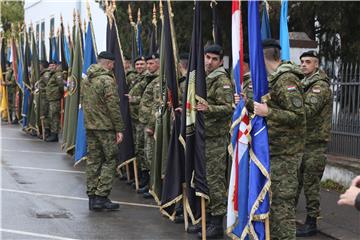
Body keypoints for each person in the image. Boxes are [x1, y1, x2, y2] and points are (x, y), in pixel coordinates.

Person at [253, 39, 305, 240]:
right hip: (276, 151)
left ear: (263, 57)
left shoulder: (286, 79)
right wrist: (247, 104)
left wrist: (269, 112)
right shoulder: (275, 78)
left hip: (287, 154)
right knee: (275, 207)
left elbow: (297, 116)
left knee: (282, 208)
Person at [192, 44, 233, 238]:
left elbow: (228, 107)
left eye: (214, 59)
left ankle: (217, 223)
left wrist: (209, 109)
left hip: (215, 139)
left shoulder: (221, 80)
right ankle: (206, 219)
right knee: (203, 178)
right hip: (203, 137)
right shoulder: (203, 78)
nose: (209, 62)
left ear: (220, 61)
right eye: (207, 57)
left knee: (215, 181)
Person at [80, 51, 124, 211]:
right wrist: (119, 128)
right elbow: (113, 106)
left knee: (93, 160)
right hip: (105, 127)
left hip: (90, 125)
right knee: (110, 160)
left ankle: (92, 197)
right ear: (109, 63)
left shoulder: (87, 79)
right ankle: (101, 196)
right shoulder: (107, 80)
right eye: (113, 64)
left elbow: (83, 101)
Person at [296, 50, 332, 237]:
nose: (303, 64)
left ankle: (311, 223)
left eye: (308, 62)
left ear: (316, 65)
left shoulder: (319, 86)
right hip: (303, 141)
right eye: (301, 61)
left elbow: (308, 110)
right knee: (296, 181)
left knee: (311, 184)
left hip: (315, 143)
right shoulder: (303, 83)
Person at [137, 53, 161, 198]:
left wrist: (151, 124)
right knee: (146, 155)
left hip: (152, 123)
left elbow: (156, 104)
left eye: (151, 63)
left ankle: (154, 187)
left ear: (158, 64)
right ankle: (149, 184)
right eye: (148, 63)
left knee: (152, 156)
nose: (148, 66)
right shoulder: (151, 79)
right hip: (144, 121)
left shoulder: (158, 81)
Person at [45, 63, 65, 142]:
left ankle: (54, 134)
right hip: (51, 98)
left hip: (55, 98)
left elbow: (61, 85)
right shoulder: (52, 74)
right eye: (50, 66)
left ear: (56, 66)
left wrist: (59, 94)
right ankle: (52, 133)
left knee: (54, 116)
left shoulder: (58, 74)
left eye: (53, 65)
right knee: (51, 116)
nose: (51, 67)